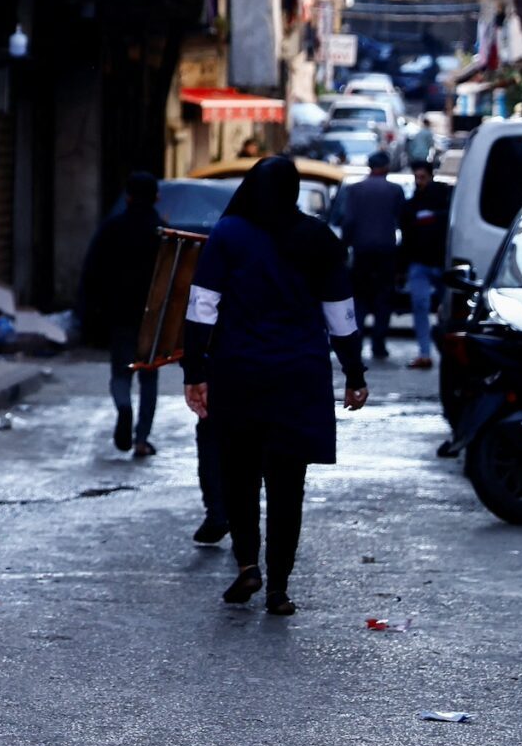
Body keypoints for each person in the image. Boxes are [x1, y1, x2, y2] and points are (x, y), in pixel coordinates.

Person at [181, 157, 370, 615]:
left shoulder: (228, 234)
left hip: (238, 373)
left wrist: (195, 372)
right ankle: (279, 589)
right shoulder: (319, 238)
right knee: (288, 485)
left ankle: (248, 565)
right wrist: (354, 373)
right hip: (298, 377)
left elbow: (202, 307)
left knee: (240, 476)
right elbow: (340, 314)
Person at [77, 171, 165, 458]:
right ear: (156, 197)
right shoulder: (163, 233)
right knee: (149, 377)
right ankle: (141, 439)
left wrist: (90, 313)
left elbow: (91, 271)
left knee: (121, 372)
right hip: (152, 318)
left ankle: (124, 407)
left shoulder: (112, 228)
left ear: (128, 196)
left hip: (119, 315)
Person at [337, 152, 407, 362]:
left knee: (359, 298)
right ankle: (379, 343)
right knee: (383, 298)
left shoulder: (355, 190)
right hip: (386, 251)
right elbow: (402, 220)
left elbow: (348, 221)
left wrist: (345, 247)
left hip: (362, 251)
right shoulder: (394, 190)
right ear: (385, 167)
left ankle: (356, 341)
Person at [401, 158, 454, 371]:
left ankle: (436, 351)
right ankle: (426, 352)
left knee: (441, 309)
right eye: (417, 177)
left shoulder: (439, 198)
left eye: (422, 177)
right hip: (423, 262)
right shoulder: (415, 203)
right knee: (421, 306)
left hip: (436, 262)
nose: (419, 181)